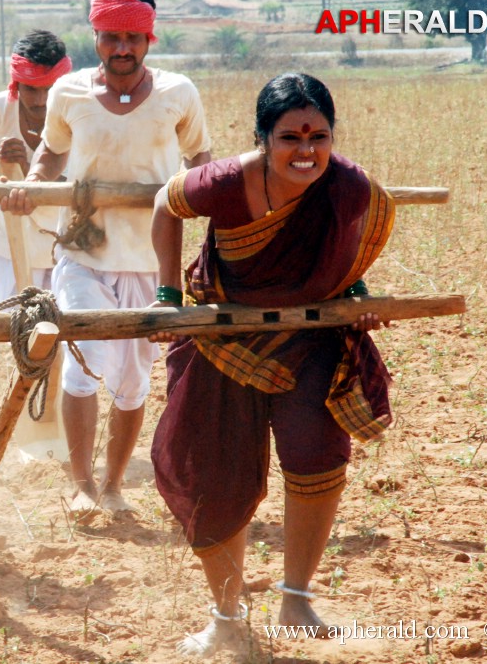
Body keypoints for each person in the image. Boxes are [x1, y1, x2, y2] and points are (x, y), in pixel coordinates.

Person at [149, 73, 394, 657]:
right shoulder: (225, 181)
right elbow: (165, 203)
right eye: (290, 137)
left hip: (311, 342)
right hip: (222, 343)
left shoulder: (351, 188)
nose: (306, 150)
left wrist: (354, 294)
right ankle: (227, 617)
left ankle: (296, 598)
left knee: (316, 457)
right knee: (213, 472)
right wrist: (167, 296)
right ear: (262, 139)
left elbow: (352, 247)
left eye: (319, 136)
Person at [1, 0, 211, 514]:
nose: (123, 48)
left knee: (133, 380)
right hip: (84, 249)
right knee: (81, 363)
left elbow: (200, 157)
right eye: (112, 38)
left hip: (151, 258)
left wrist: (210, 193)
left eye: (133, 38)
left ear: (148, 40)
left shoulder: (178, 93)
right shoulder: (68, 93)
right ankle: (82, 485)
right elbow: (52, 149)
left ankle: (114, 484)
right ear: (95, 39)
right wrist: (33, 182)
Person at [0, 29, 71, 302]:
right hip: (8, 241)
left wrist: (27, 170)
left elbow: (77, 183)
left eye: (49, 89)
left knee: (70, 332)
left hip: (67, 242)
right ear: (16, 84)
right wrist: (3, 166)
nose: (40, 101)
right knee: (21, 330)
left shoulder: (78, 113)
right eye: (31, 89)